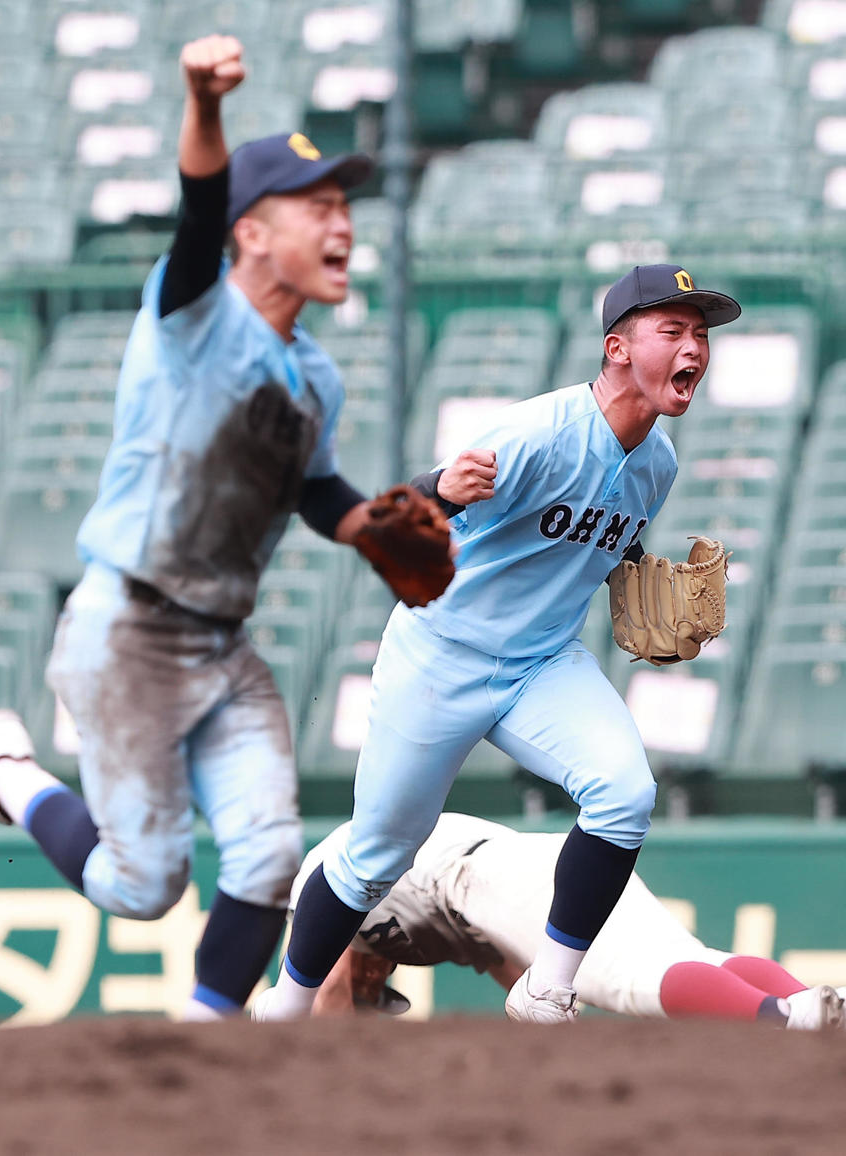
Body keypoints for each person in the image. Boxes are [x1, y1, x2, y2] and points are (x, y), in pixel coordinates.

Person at [0, 35, 451, 1023]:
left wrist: (371, 521)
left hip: (221, 643)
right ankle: (4, 775)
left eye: (345, 207)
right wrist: (203, 101)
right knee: (141, 885)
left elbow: (314, 488)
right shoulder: (193, 312)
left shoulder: (316, 375)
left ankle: (204, 1051)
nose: (342, 224)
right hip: (128, 629)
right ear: (253, 232)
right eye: (317, 207)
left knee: (269, 856)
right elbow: (198, 210)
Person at [254, 263, 742, 1025]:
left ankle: (547, 992)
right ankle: (283, 1011)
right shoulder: (537, 435)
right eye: (673, 330)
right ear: (616, 347)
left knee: (623, 795)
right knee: (376, 856)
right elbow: (396, 520)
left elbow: (598, 540)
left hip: (541, 662)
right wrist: (439, 489)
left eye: (700, 335)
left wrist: (638, 578)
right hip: (440, 654)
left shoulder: (658, 463)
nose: (694, 348)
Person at [288, 813, 846, 1030]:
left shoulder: (324, 907)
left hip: (483, 876)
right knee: (692, 958)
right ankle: (813, 1003)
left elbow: (325, 999)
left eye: (371, 992)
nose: (373, 985)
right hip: (539, 865)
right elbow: (516, 973)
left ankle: (783, 1019)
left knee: (631, 981)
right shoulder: (406, 929)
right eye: (376, 995)